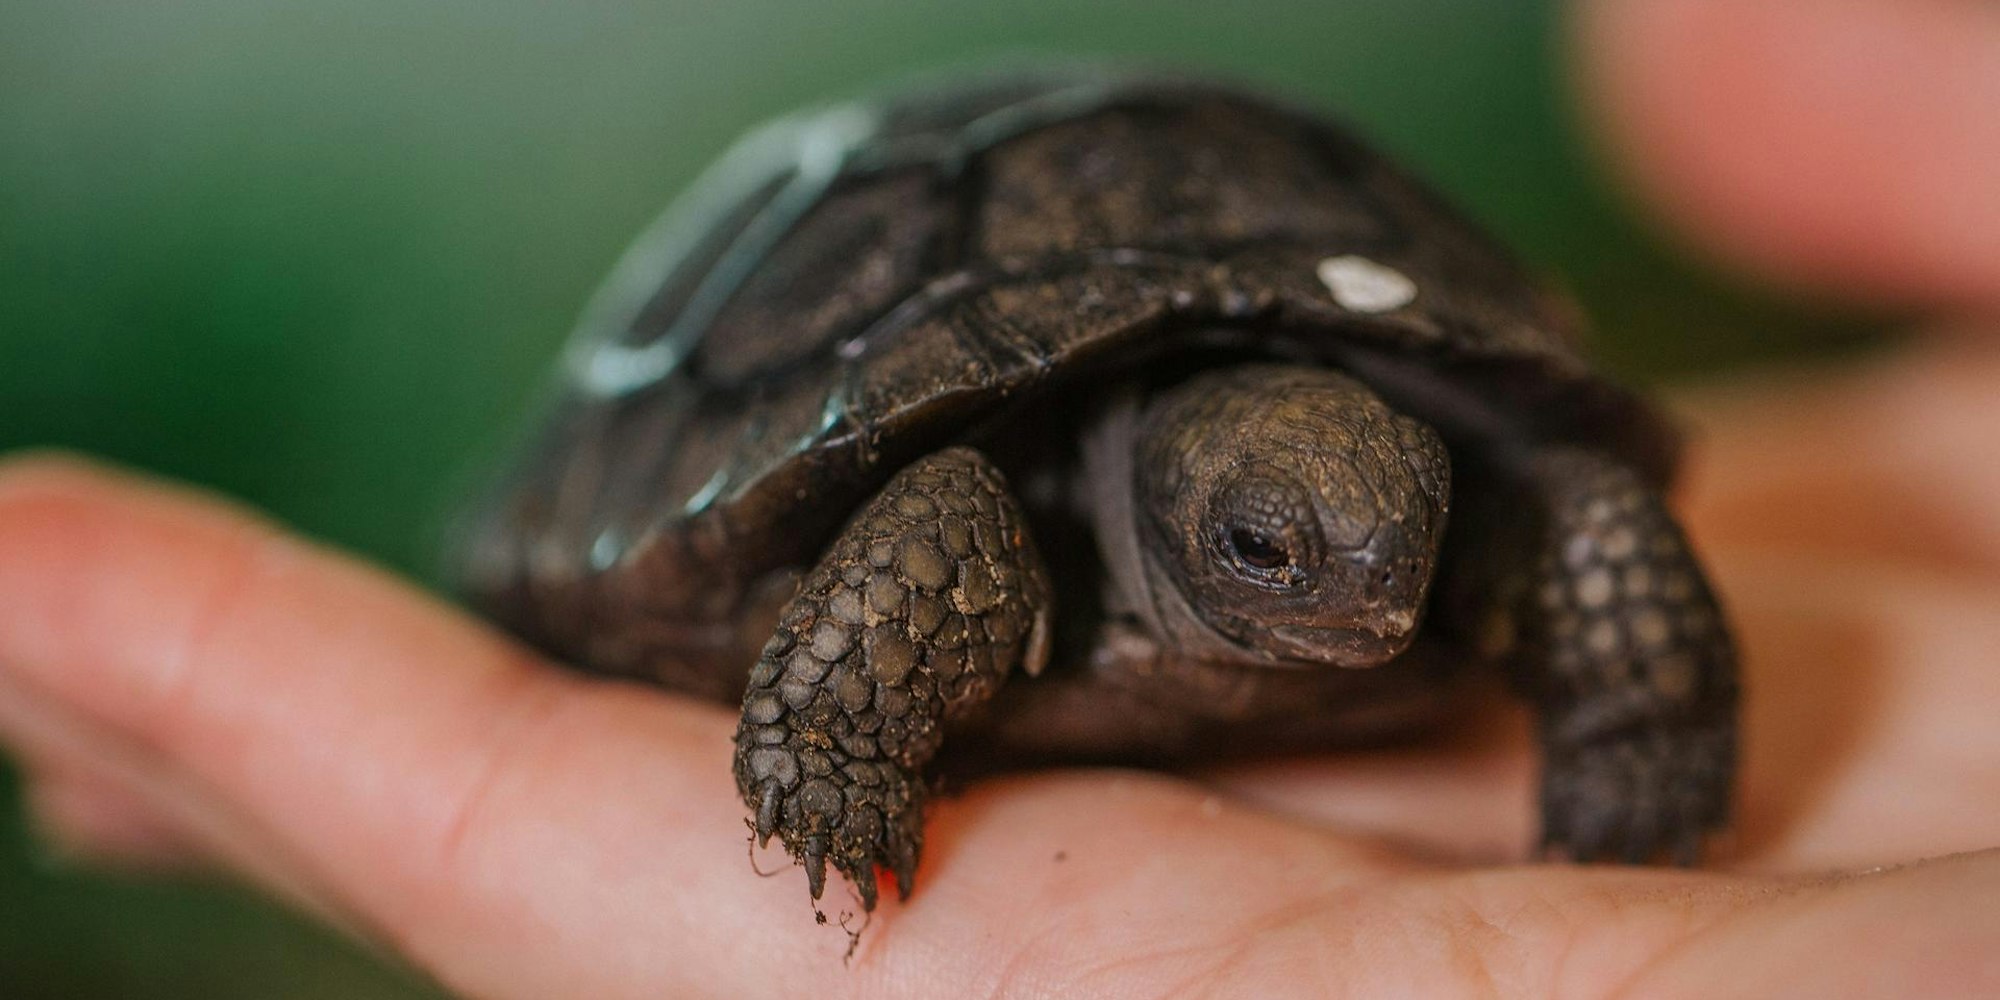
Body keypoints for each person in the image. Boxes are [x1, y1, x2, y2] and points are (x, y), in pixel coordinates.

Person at [2, 1, 1995, 996]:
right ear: (1172, 514)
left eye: (1395, 540)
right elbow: (940, 517)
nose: (1365, 596)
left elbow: (1576, 504)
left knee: (1568, 509)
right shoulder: (981, 509)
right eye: (1269, 556)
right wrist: (836, 726)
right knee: (946, 526)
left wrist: (1642, 754)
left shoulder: (1457, 511)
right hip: (883, 377)